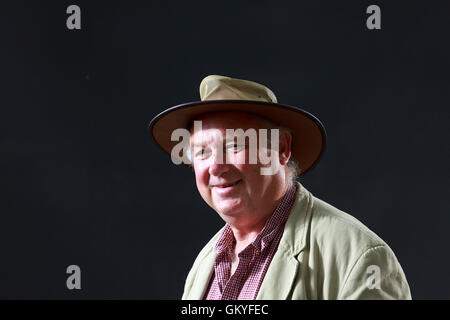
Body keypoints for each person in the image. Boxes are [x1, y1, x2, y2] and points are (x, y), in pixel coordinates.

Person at [148, 75, 411, 300]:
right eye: (202, 152)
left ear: (282, 148)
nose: (216, 167)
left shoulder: (360, 258)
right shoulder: (204, 265)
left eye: (234, 145)